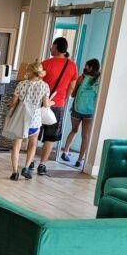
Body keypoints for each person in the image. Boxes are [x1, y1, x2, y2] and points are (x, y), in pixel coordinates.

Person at [33, 37, 78, 175]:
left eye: (52, 46)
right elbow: (72, 87)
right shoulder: (72, 66)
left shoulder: (45, 64)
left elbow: (36, 83)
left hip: (41, 104)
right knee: (51, 137)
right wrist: (63, 98)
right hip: (58, 105)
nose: (50, 48)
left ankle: (30, 162)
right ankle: (42, 164)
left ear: (57, 47)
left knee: (34, 133)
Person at [7, 60, 51, 181]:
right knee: (32, 143)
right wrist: (51, 102)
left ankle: (14, 172)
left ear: (31, 71)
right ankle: (26, 168)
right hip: (34, 119)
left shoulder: (21, 84)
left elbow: (13, 102)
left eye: (28, 70)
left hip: (20, 118)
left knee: (16, 145)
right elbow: (46, 104)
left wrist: (11, 110)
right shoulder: (44, 86)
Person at [61, 58, 102, 169]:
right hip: (90, 111)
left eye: (86, 66)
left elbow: (73, 94)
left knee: (74, 130)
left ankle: (65, 152)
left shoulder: (82, 77)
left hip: (77, 109)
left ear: (91, 67)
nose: (85, 67)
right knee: (85, 136)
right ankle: (79, 160)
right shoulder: (99, 80)